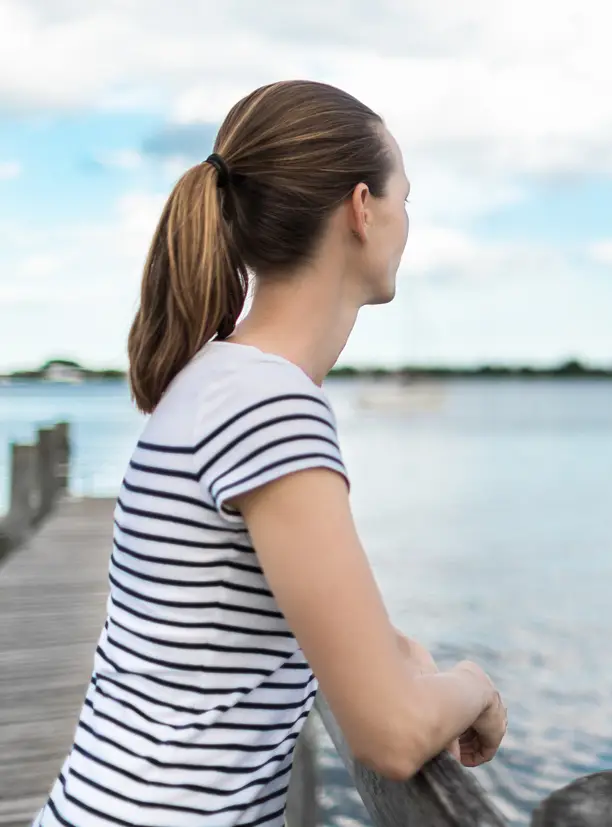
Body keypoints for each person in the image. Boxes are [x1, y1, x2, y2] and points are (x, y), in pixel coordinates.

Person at [33, 79, 507, 827]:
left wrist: (407, 658)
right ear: (361, 209)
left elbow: (289, 614)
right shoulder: (271, 407)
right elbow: (390, 733)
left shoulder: (211, 376)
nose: (406, 224)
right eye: (404, 199)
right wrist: (475, 684)